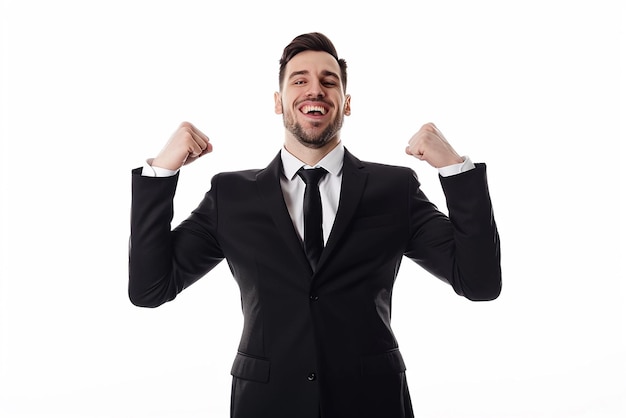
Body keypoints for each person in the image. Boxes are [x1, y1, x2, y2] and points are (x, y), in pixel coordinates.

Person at [129, 32, 501, 418]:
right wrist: (159, 172)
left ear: (347, 103)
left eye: (329, 81)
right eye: (299, 79)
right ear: (278, 102)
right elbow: (151, 288)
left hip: (372, 402)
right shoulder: (231, 195)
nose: (315, 90)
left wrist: (455, 169)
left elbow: (479, 282)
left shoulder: (394, 189)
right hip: (267, 404)